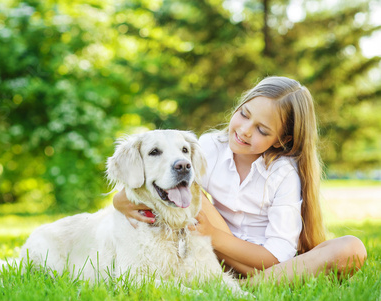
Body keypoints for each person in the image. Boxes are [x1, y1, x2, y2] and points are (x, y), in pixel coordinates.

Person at [113, 76, 367, 285]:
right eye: (244, 114)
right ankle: (251, 284)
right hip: (213, 254)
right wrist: (119, 200)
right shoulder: (211, 146)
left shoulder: (283, 173)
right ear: (238, 106)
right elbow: (164, 185)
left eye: (262, 130)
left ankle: (248, 285)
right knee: (192, 192)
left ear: (281, 140)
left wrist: (213, 235)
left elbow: (277, 257)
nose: (245, 130)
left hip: (265, 262)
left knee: (351, 248)